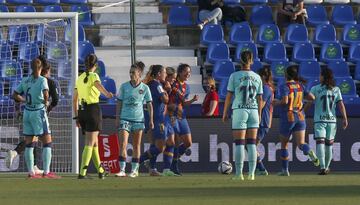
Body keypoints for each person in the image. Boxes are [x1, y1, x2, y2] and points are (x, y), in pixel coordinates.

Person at [6, 55, 59, 173]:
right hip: (39, 112)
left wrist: (19, 109)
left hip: (27, 111)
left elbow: (15, 95)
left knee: (31, 141)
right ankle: (46, 171)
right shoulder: (46, 81)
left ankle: (30, 168)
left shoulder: (25, 80)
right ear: (45, 69)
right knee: (46, 141)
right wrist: (47, 107)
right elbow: (53, 100)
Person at [222, 51, 263, 181]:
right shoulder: (257, 77)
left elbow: (228, 96)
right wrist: (260, 115)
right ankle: (251, 174)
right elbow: (260, 98)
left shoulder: (234, 76)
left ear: (240, 60)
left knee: (239, 143)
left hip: (240, 110)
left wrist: (224, 113)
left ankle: (239, 174)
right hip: (254, 110)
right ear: (251, 60)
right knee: (252, 144)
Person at [73, 54, 114, 179]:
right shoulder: (94, 76)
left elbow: (74, 99)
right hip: (93, 110)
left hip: (82, 111)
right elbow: (97, 85)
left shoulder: (79, 78)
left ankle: (100, 171)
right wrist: (107, 94)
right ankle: (82, 172)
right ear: (95, 66)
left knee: (95, 142)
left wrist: (77, 117)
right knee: (90, 142)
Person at [273, 65, 319, 176]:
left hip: (288, 117)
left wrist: (276, 102)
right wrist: (304, 107)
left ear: (286, 74)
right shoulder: (301, 86)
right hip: (300, 116)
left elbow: (284, 101)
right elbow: (312, 98)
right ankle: (309, 151)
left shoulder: (284, 86)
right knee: (301, 143)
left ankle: (285, 170)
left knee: (284, 145)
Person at [305, 67, 348, 175]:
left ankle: (323, 167)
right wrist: (345, 118)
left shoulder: (315, 88)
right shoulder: (336, 89)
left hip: (320, 120)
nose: (319, 77)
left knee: (320, 143)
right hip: (332, 121)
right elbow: (340, 105)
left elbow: (309, 103)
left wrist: (302, 112)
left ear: (323, 77)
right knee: (329, 145)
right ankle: (327, 167)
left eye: (320, 75)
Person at [139, 65, 178, 177]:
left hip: (162, 117)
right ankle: (138, 161)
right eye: (164, 72)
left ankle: (164, 169)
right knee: (159, 147)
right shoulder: (157, 85)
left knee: (171, 142)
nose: (165, 75)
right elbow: (165, 100)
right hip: (157, 119)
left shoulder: (155, 84)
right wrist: (167, 89)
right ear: (159, 74)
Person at [115, 64, 153, 178]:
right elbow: (119, 102)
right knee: (123, 144)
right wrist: (117, 117)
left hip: (138, 120)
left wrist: (151, 119)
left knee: (136, 145)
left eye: (133, 72)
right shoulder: (124, 86)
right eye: (130, 72)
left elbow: (149, 105)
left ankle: (134, 170)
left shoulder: (145, 88)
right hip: (125, 118)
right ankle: (122, 170)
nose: (131, 74)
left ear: (139, 74)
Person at [169, 64, 199, 175]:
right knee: (176, 142)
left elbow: (184, 103)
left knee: (188, 142)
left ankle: (173, 163)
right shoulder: (173, 84)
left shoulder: (187, 87)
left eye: (189, 72)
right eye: (186, 72)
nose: (188, 74)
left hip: (182, 116)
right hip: (173, 116)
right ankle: (173, 166)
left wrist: (192, 100)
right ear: (180, 73)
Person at [255, 67, 274, 176]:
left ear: (262, 76)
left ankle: (261, 169)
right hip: (264, 121)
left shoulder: (266, 88)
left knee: (251, 145)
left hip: (263, 121)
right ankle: (259, 168)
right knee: (251, 145)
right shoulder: (269, 88)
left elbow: (261, 105)